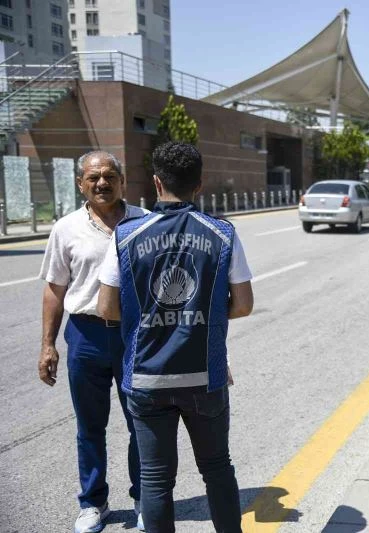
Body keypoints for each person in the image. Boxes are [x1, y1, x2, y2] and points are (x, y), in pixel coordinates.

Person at [97, 141, 253, 533]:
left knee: (154, 478)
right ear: (199, 185)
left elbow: (106, 308)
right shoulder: (222, 233)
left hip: (147, 377)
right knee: (217, 468)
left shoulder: (126, 235)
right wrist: (198, 317)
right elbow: (245, 304)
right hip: (205, 376)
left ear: (155, 182)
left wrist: (152, 317)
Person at [38, 151, 147, 533]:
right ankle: (93, 503)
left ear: (123, 179)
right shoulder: (66, 229)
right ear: (80, 184)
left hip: (136, 336)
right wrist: (48, 344)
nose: (102, 182)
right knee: (89, 425)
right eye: (93, 177)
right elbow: (55, 290)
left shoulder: (146, 223)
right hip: (85, 335)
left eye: (109, 175)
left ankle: (144, 500)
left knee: (143, 423)